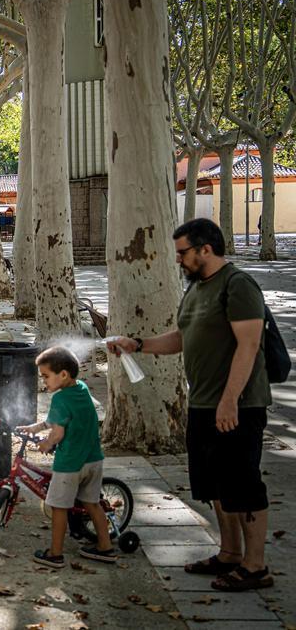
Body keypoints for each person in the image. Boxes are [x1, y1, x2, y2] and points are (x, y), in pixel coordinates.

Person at [108, 217, 272, 592]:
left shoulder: (238, 285)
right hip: (202, 403)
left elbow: (248, 346)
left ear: (205, 249)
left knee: (243, 485)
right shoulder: (197, 289)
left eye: (183, 253)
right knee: (214, 485)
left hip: (238, 406)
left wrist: (229, 400)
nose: (179, 259)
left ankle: (255, 566)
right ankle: (229, 554)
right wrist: (138, 343)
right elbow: (183, 337)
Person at [16, 346, 113, 568]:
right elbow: (65, 418)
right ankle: (105, 547)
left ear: (63, 374)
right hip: (93, 459)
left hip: (70, 464)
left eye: (46, 377)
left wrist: (46, 443)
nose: (44, 382)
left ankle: (55, 553)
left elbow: (58, 433)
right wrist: (37, 427)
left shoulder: (59, 399)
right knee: (92, 504)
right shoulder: (81, 388)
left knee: (58, 507)